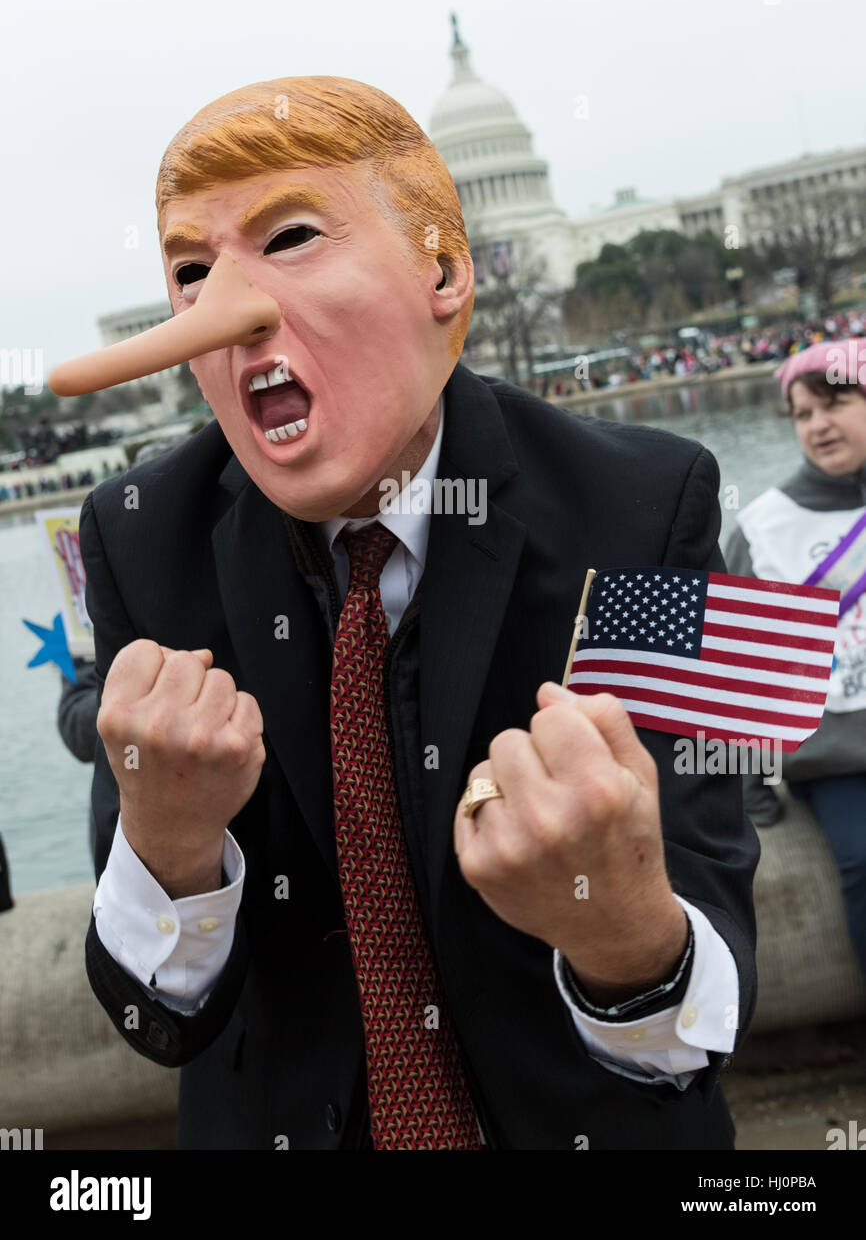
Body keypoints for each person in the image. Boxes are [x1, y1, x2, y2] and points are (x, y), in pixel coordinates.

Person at [77, 74, 757, 1150]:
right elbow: (152, 1016)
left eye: (289, 236)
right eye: (192, 272)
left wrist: (618, 928)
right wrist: (164, 847)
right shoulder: (138, 533)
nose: (228, 306)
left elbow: (701, 1009)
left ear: (441, 269)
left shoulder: (641, 508)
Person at [725, 338, 866, 975]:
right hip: (836, 755)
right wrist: (749, 781)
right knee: (862, 863)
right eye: (803, 413)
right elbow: (739, 665)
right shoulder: (763, 526)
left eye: (835, 404)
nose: (817, 425)